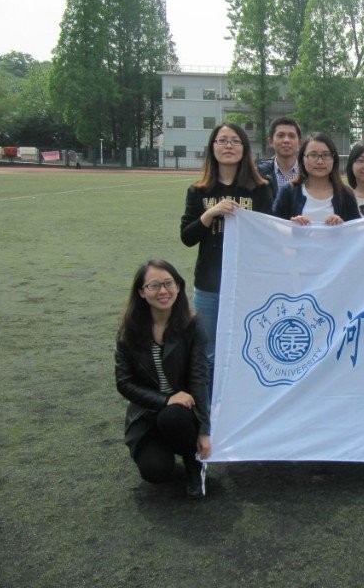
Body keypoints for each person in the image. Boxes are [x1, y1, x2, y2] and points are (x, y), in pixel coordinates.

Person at [180, 123, 272, 374]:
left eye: (235, 141)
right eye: (222, 140)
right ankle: (210, 400)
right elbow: (187, 237)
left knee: (248, 350)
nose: (228, 146)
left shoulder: (261, 188)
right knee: (209, 353)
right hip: (209, 285)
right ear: (213, 147)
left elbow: (269, 234)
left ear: (244, 148)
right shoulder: (199, 191)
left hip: (248, 284)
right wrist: (210, 213)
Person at [115, 260, 211, 499]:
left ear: (178, 286)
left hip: (182, 413)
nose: (163, 291)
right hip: (147, 413)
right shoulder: (129, 330)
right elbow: (124, 383)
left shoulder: (192, 325)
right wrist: (165, 399)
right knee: (155, 472)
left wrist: (204, 430)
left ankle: (194, 463)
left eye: (169, 283)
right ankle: (167, 448)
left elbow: (199, 378)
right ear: (141, 292)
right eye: (154, 285)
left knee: (173, 415)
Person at [272, 132, 360, 225]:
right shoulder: (288, 192)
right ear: (302, 159)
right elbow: (272, 227)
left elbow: (356, 230)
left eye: (326, 155)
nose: (320, 161)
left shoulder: (346, 194)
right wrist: (291, 226)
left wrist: (342, 225)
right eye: (313, 155)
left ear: (334, 159)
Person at [257, 117, 302, 200]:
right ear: (271, 141)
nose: (286, 140)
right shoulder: (259, 173)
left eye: (291, 136)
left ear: (299, 143)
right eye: (281, 135)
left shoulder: (308, 173)